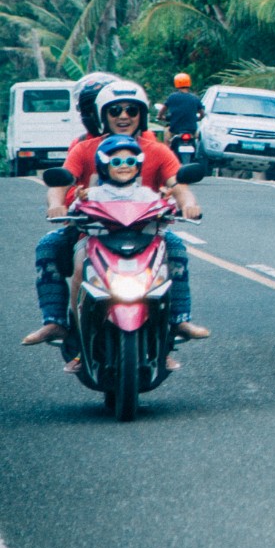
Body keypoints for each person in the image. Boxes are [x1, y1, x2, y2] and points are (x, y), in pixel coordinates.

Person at [22, 80, 205, 351]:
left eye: (131, 110)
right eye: (115, 110)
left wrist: (189, 204)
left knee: (176, 247)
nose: (123, 116)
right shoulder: (84, 149)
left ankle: (178, 321)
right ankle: (59, 322)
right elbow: (60, 184)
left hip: (146, 232)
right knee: (49, 245)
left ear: (141, 115)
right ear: (102, 115)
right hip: (92, 231)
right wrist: (56, 205)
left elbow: (179, 185)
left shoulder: (158, 150)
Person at [160, 73, 203, 138]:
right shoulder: (195, 98)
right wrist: (198, 118)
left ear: (176, 83)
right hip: (191, 130)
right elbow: (202, 113)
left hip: (175, 130)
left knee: (166, 133)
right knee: (197, 138)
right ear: (189, 83)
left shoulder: (172, 97)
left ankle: (167, 148)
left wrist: (160, 116)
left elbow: (162, 110)